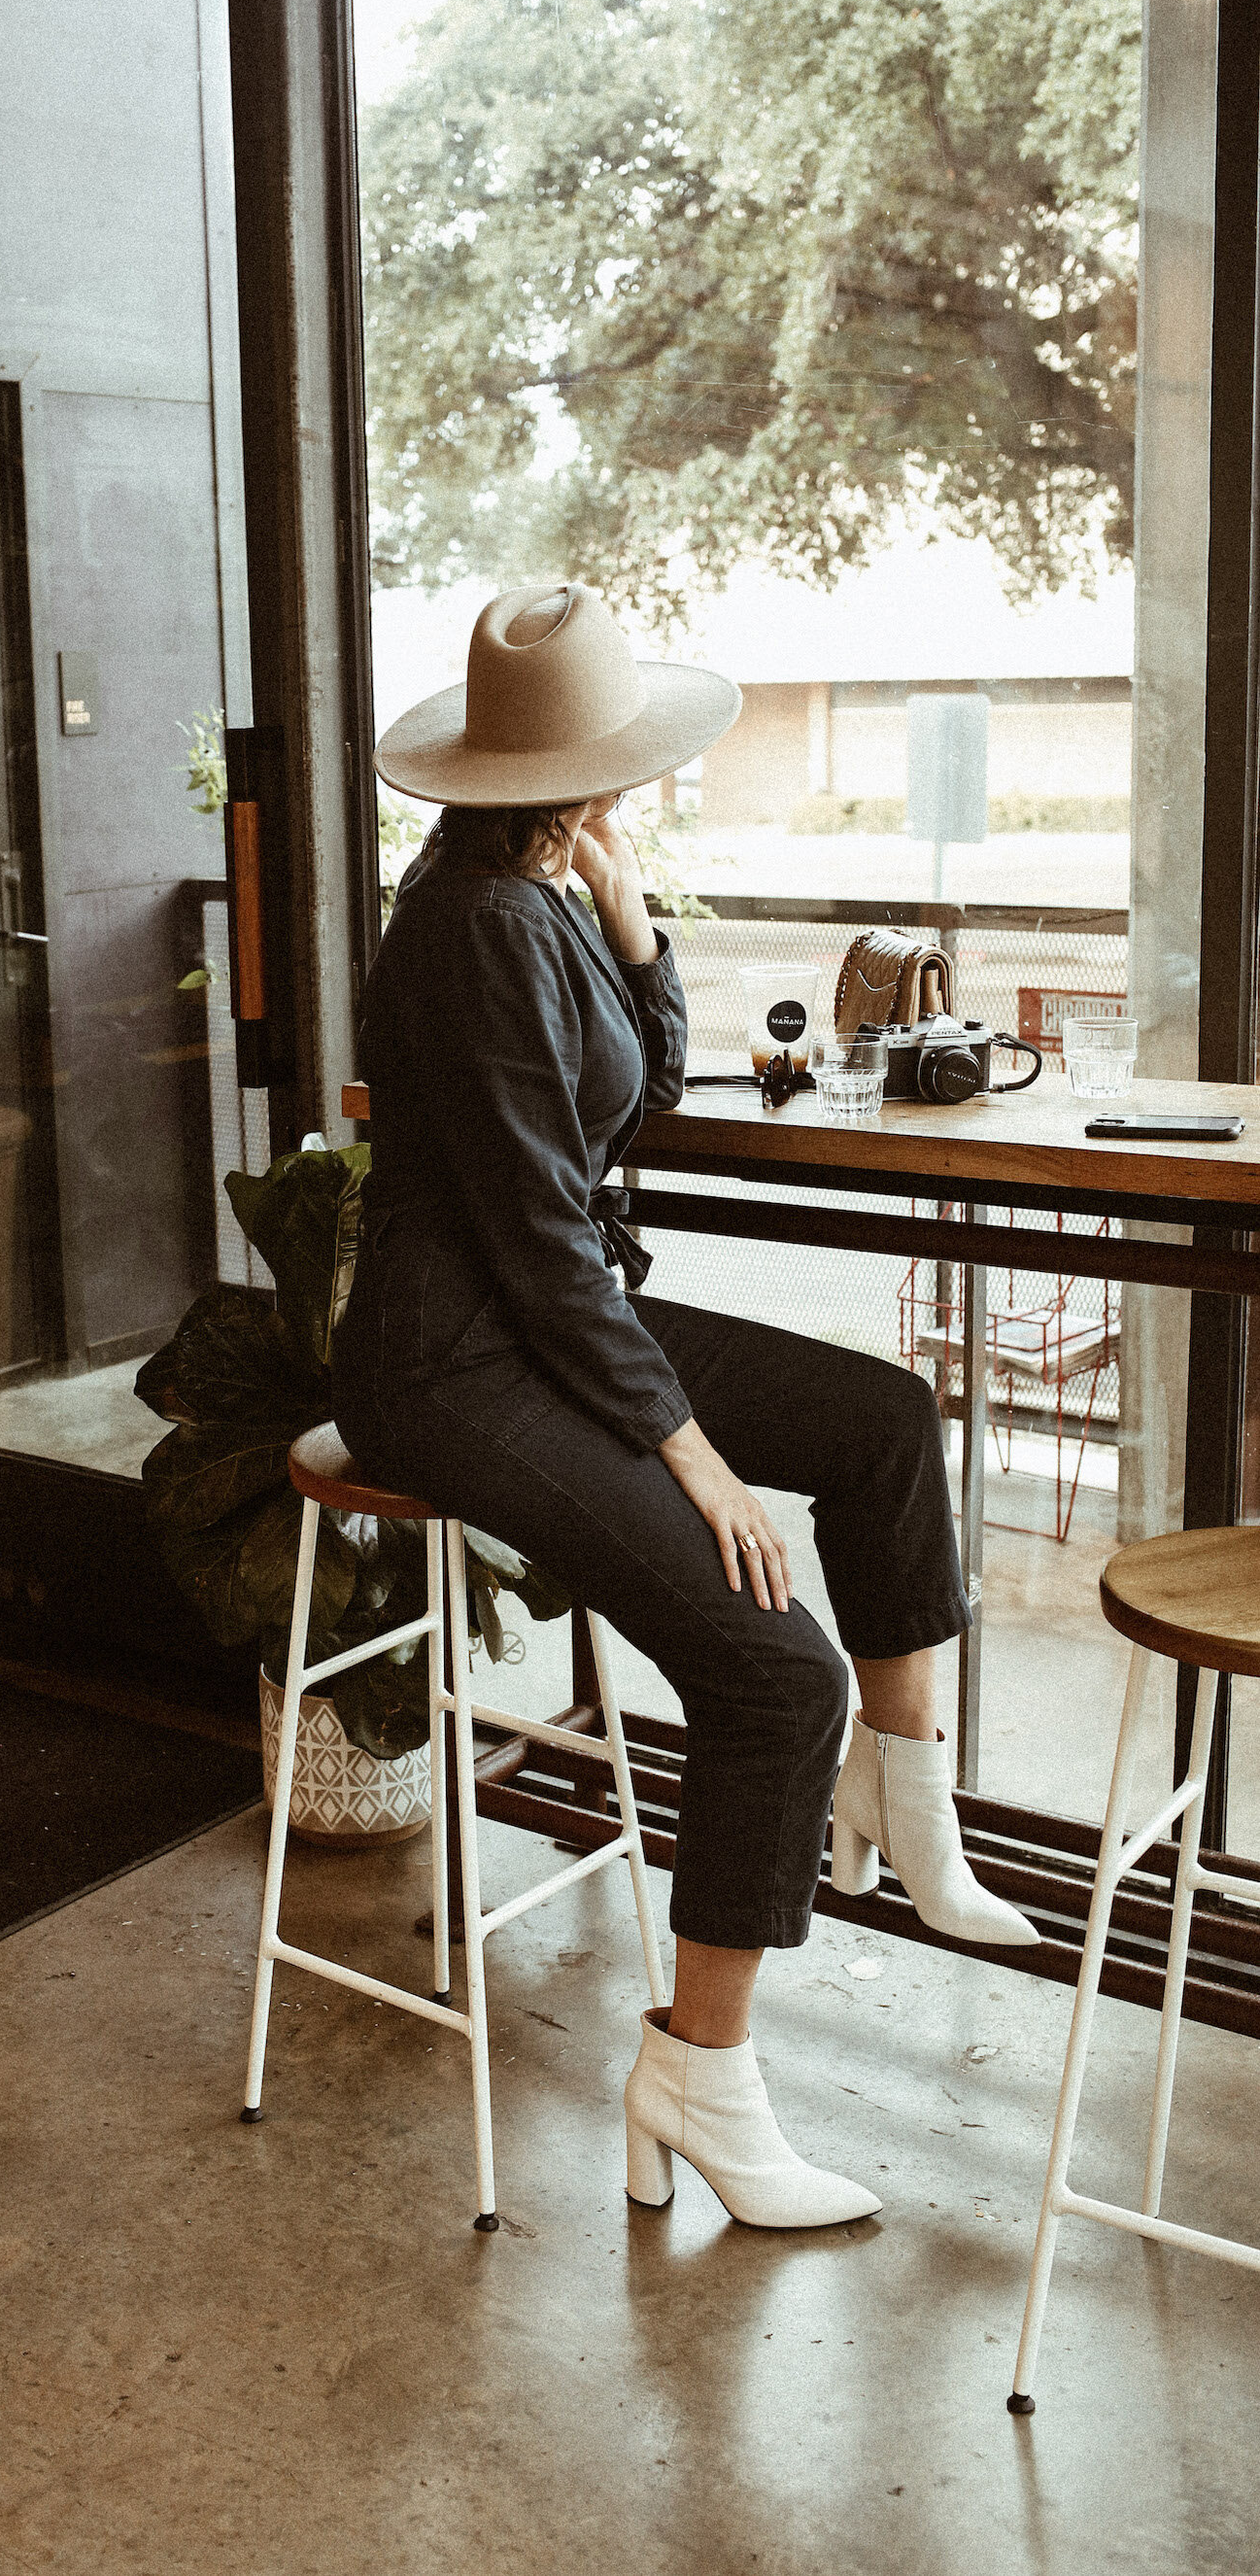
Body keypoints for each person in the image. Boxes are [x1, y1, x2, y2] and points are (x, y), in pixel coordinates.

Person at [331, 580, 1037, 2232]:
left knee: (881, 1420)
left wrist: (635, 916)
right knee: (772, 1664)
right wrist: (693, 1453)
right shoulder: (472, 930)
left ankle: (905, 1805)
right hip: (452, 1362)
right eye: (617, 775)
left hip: (548, 1320)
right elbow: (542, 1242)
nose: (627, 792)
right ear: (576, 774)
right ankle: (694, 2078)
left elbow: (635, 1087)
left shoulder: (537, 889)